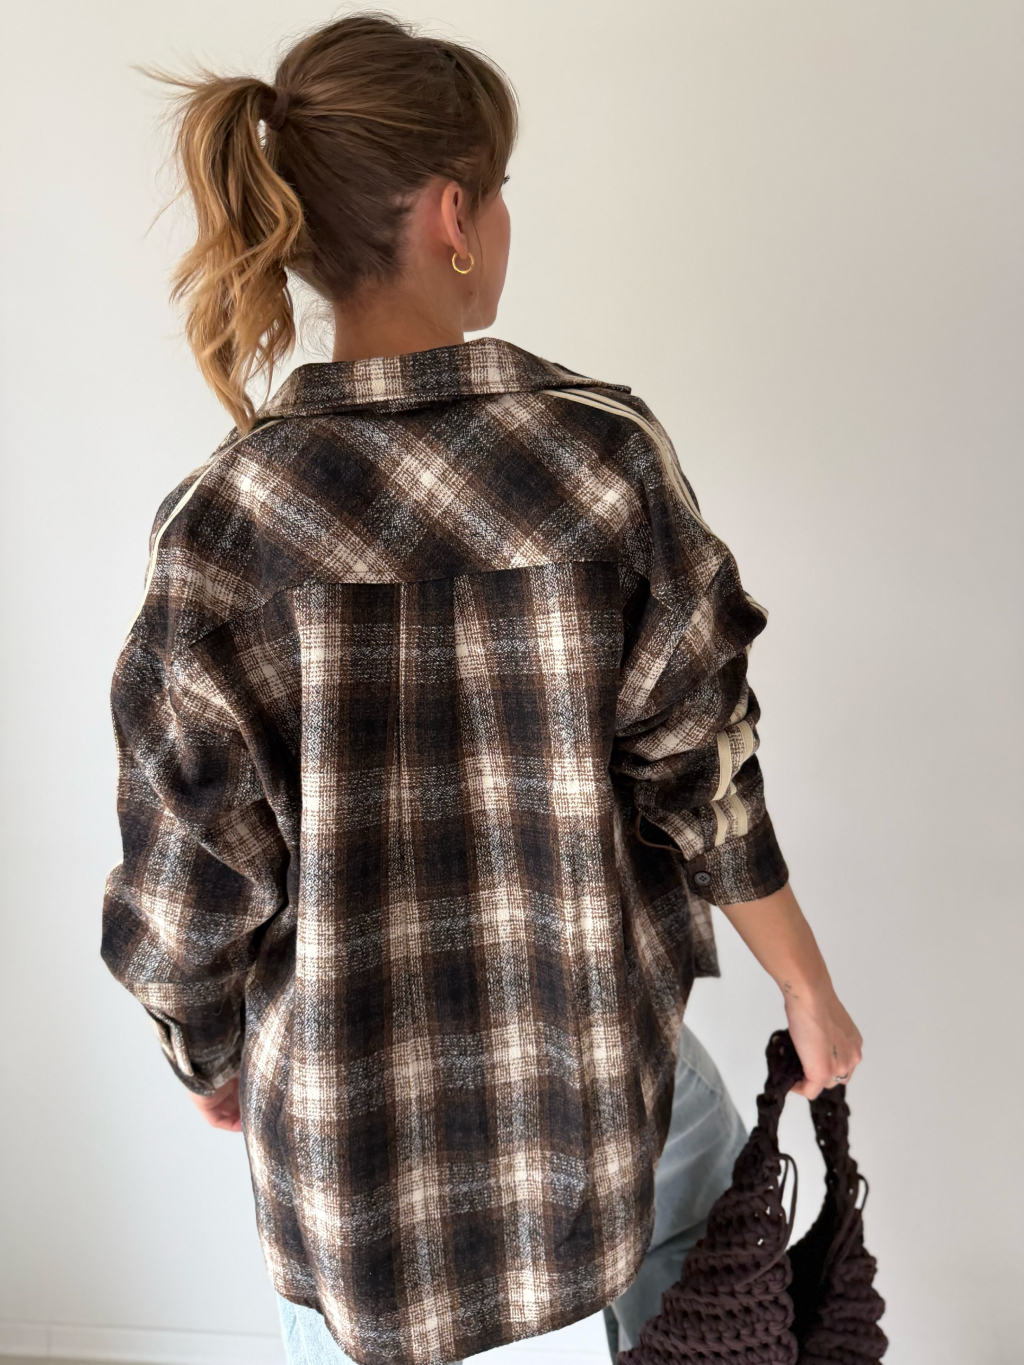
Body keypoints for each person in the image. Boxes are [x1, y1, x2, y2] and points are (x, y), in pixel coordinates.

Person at [101, 14, 863, 1365]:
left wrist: (209, 1058)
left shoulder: (222, 523)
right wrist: (806, 986)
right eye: (499, 190)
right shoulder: (602, 459)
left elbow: (184, 894)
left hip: (354, 1168)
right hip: (598, 1104)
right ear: (454, 213)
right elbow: (706, 775)